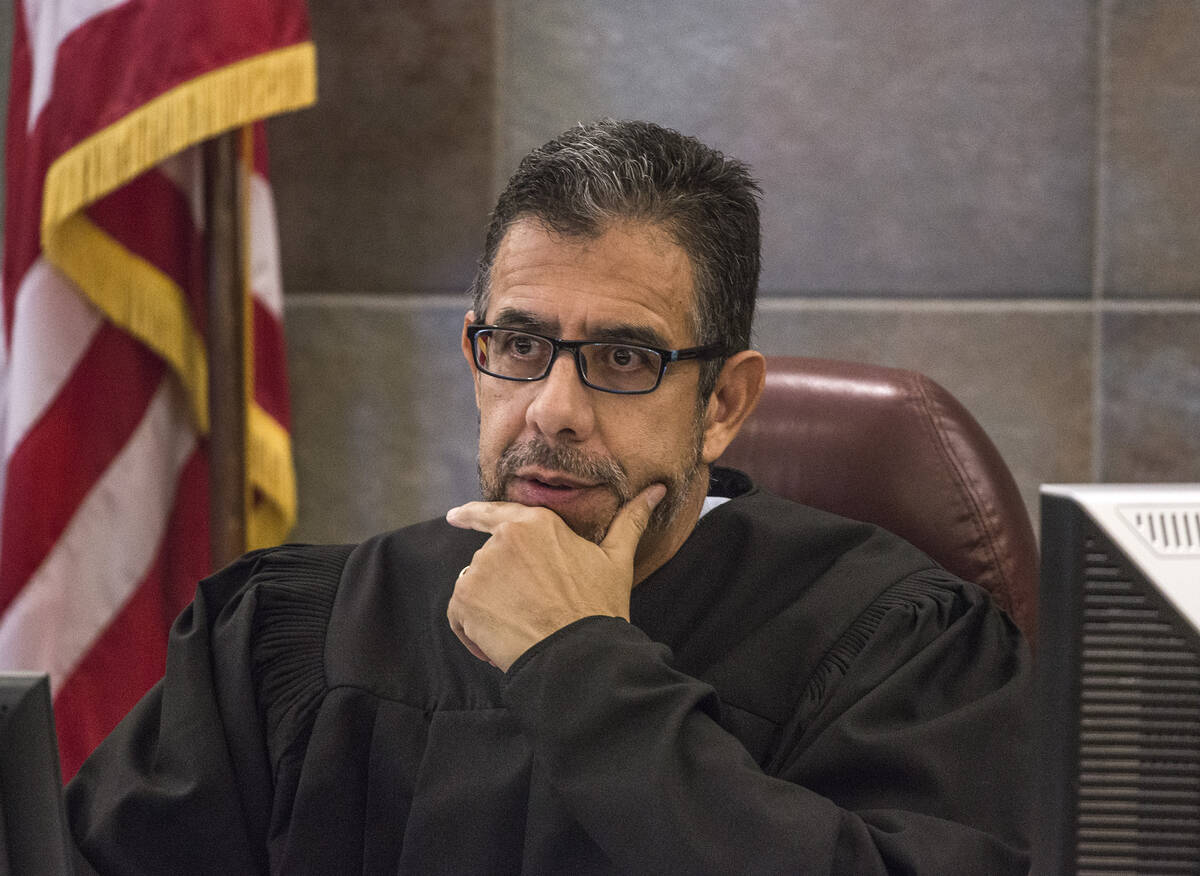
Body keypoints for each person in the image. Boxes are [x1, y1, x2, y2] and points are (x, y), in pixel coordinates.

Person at [66, 119, 1033, 874]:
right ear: (475, 357)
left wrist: (580, 666)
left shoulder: (898, 651)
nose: (553, 410)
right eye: (521, 346)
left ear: (724, 403)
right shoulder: (296, 634)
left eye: (624, 357)